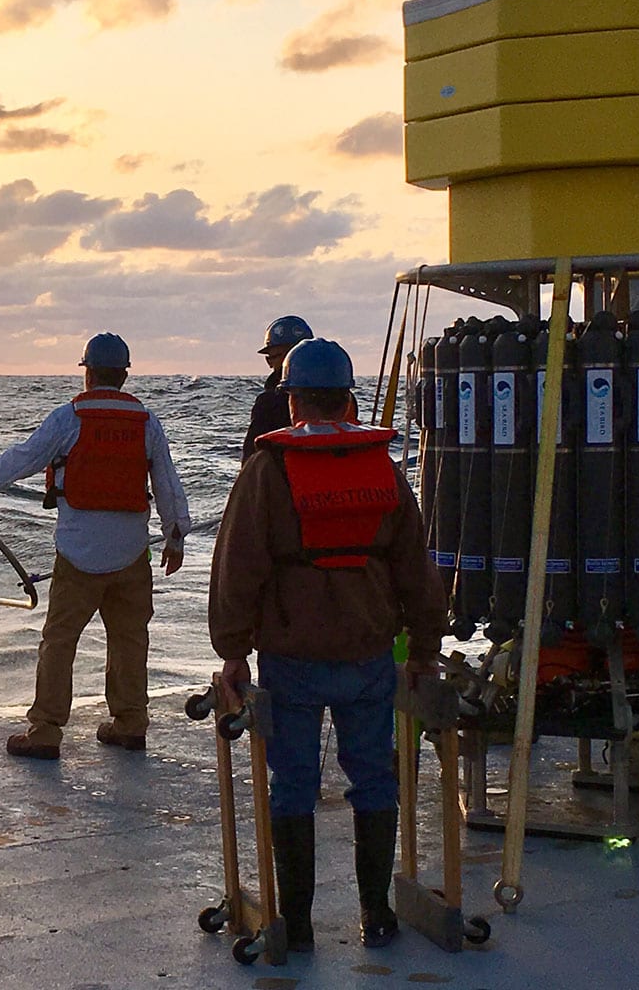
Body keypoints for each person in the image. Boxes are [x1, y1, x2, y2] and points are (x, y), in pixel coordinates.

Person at [208, 338, 448, 952]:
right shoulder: (384, 468)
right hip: (369, 656)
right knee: (374, 780)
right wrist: (422, 649)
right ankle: (377, 915)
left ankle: (301, 926)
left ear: (291, 404)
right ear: (348, 401)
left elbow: (237, 566)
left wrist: (232, 652)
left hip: (292, 660)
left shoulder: (267, 470)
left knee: (291, 788)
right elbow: (417, 571)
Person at [0, 332, 190, 760]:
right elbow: (167, 483)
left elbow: (21, 459)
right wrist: (176, 533)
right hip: (132, 552)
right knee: (130, 640)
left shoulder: (69, 418)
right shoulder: (146, 422)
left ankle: (45, 730)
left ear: (88, 372)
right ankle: (130, 723)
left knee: (60, 641)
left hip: (78, 554)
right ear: (122, 375)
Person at [243, 315, 314, 458]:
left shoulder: (268, 404)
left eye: (272, 357)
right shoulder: (343, 397)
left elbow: (251, 460)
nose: (269, 363)